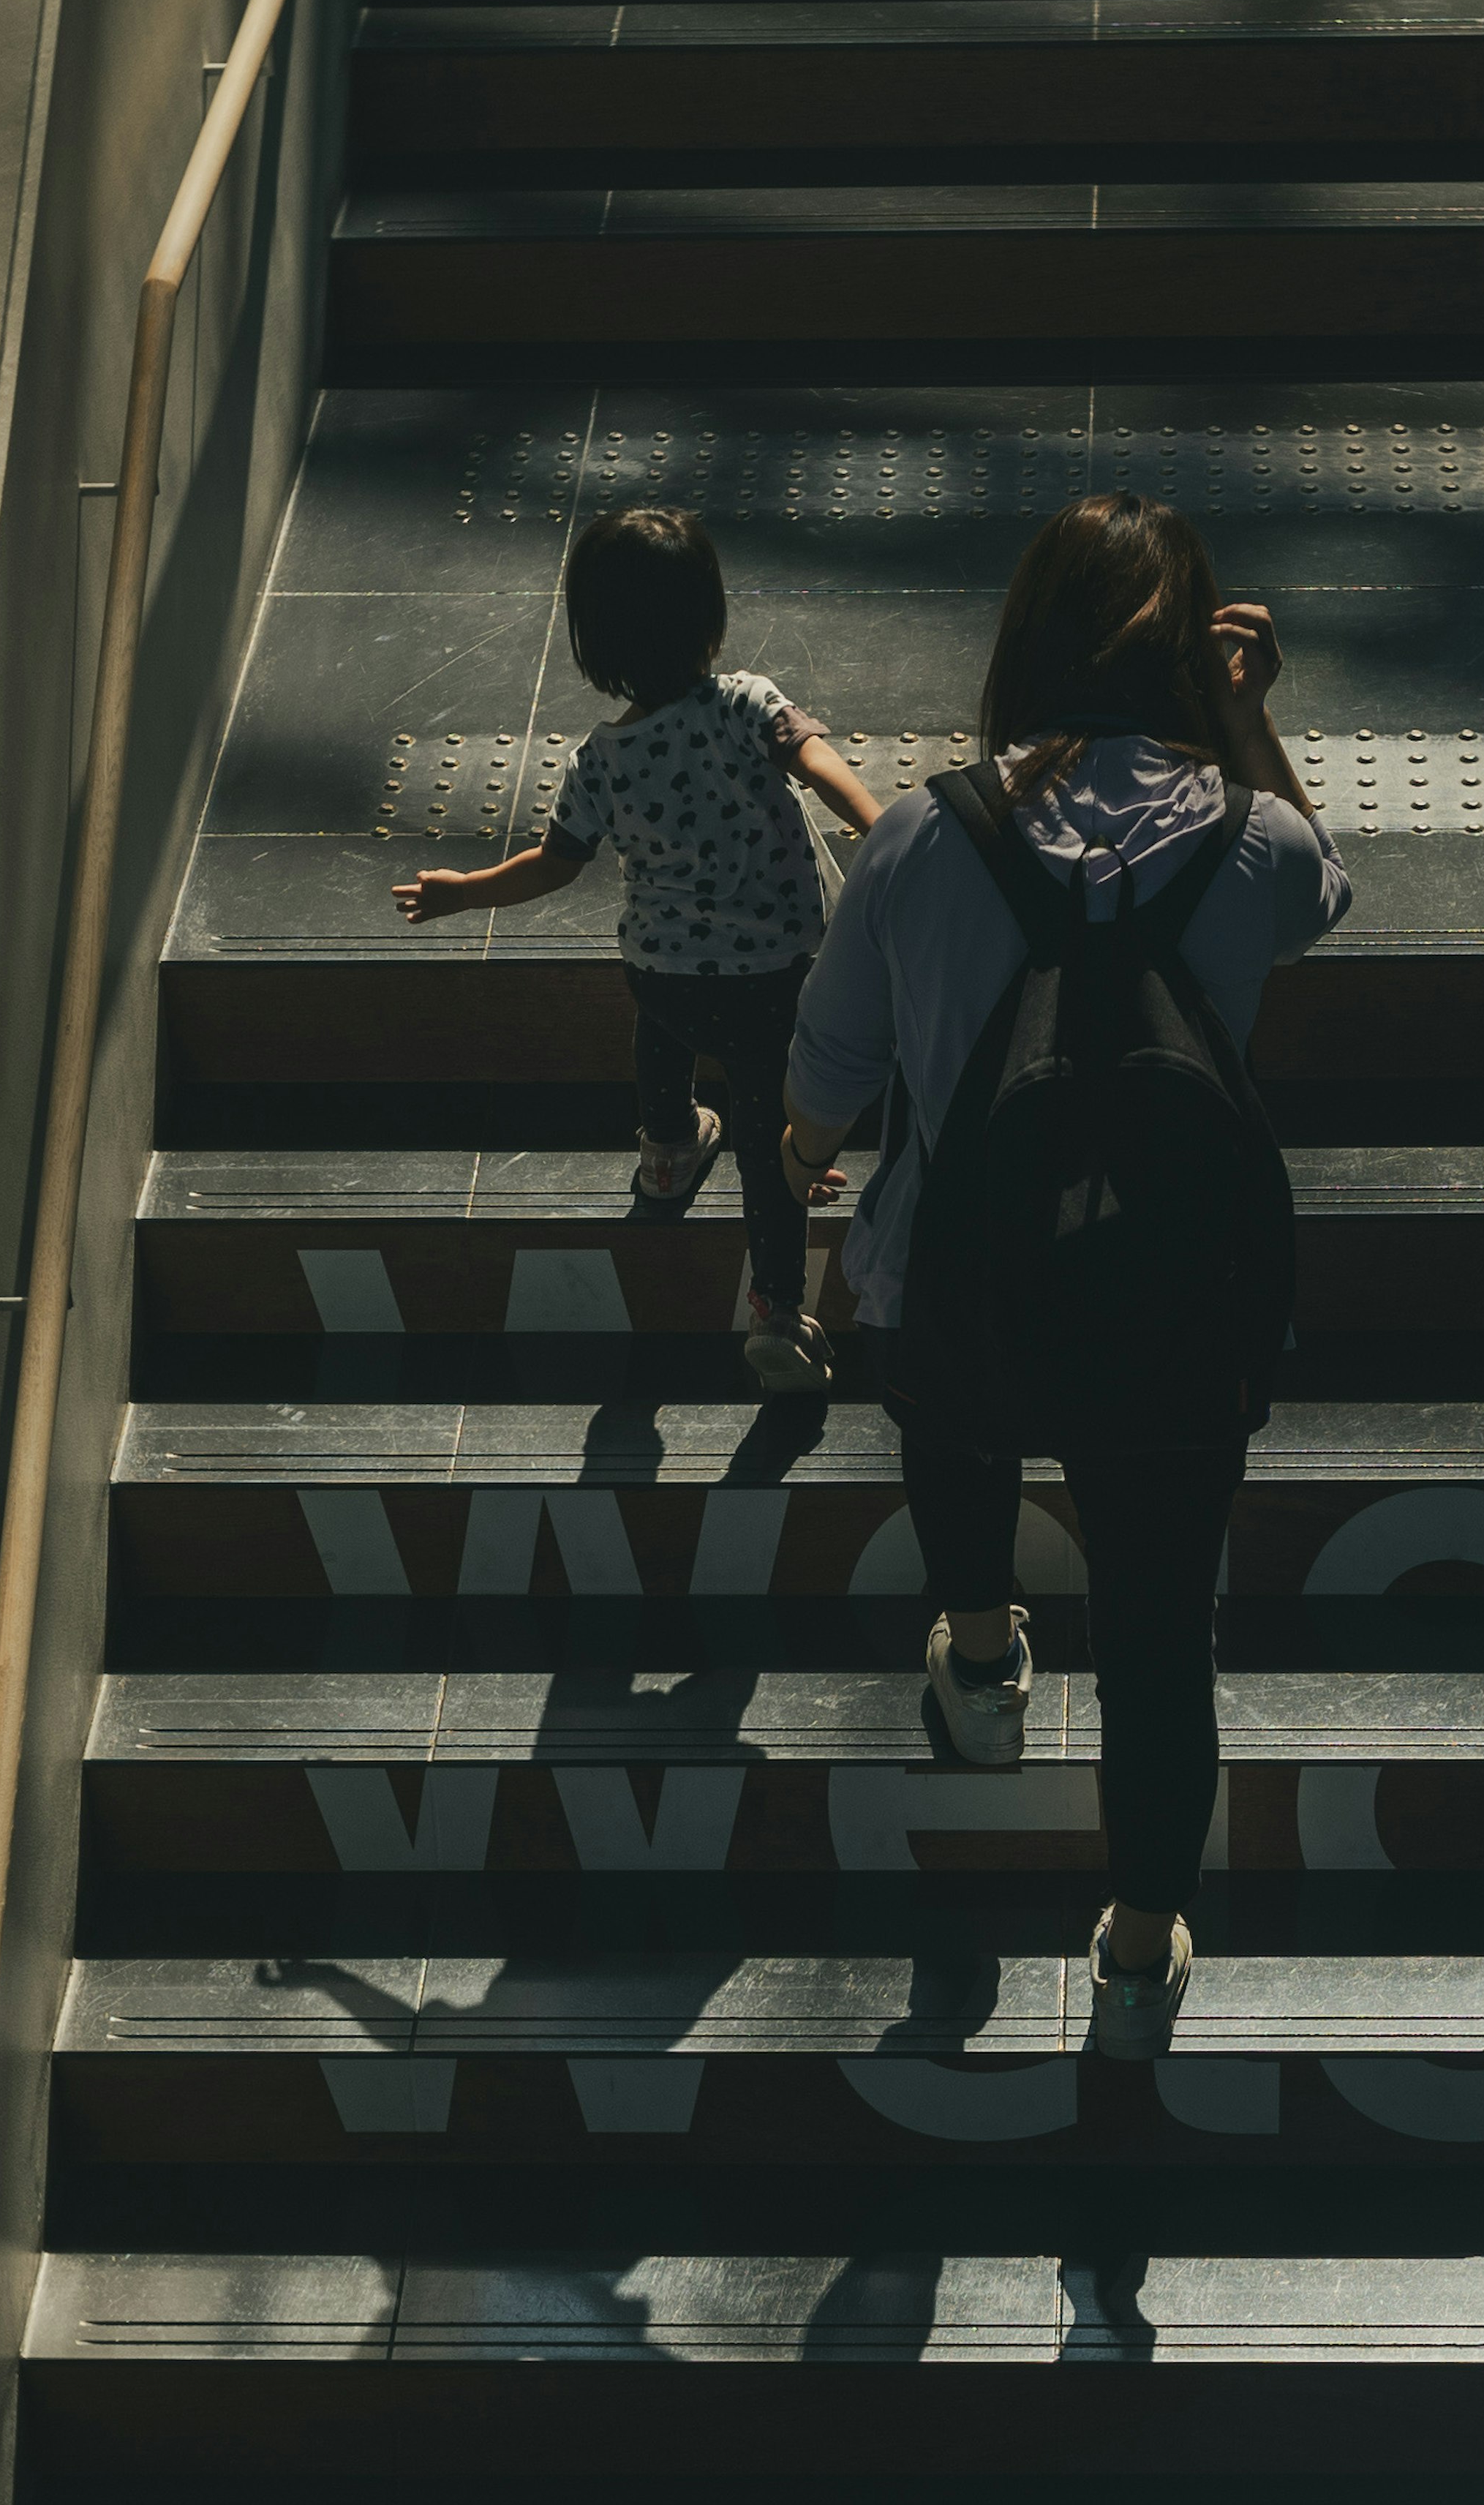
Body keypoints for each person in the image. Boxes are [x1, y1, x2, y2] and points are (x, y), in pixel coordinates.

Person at [778, 492, 1351, 2057]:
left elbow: (826, 1071)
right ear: (1198, 661)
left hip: (954, 1281)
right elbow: (1325, 894)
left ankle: (978, 1649)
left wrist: (799, 1164)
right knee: (1165, 1626)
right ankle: (1144, 1935)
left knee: (958, 1443)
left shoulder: (922, 832)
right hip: (1179, 1295)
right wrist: (1247, 733)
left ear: (1022, 639)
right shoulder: (1252, 839)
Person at [393, 503, 878, 1392]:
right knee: (770, 1145)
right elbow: (817, 764)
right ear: (711, 618)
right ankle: (775, 1310)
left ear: (595, 643)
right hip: (773, 975)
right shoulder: (747, 703)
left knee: (660, 1039)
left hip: (662, 972)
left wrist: (463, 893)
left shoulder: (602, 760)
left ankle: (665, 1147)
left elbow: (554, 866)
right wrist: (883, 832)